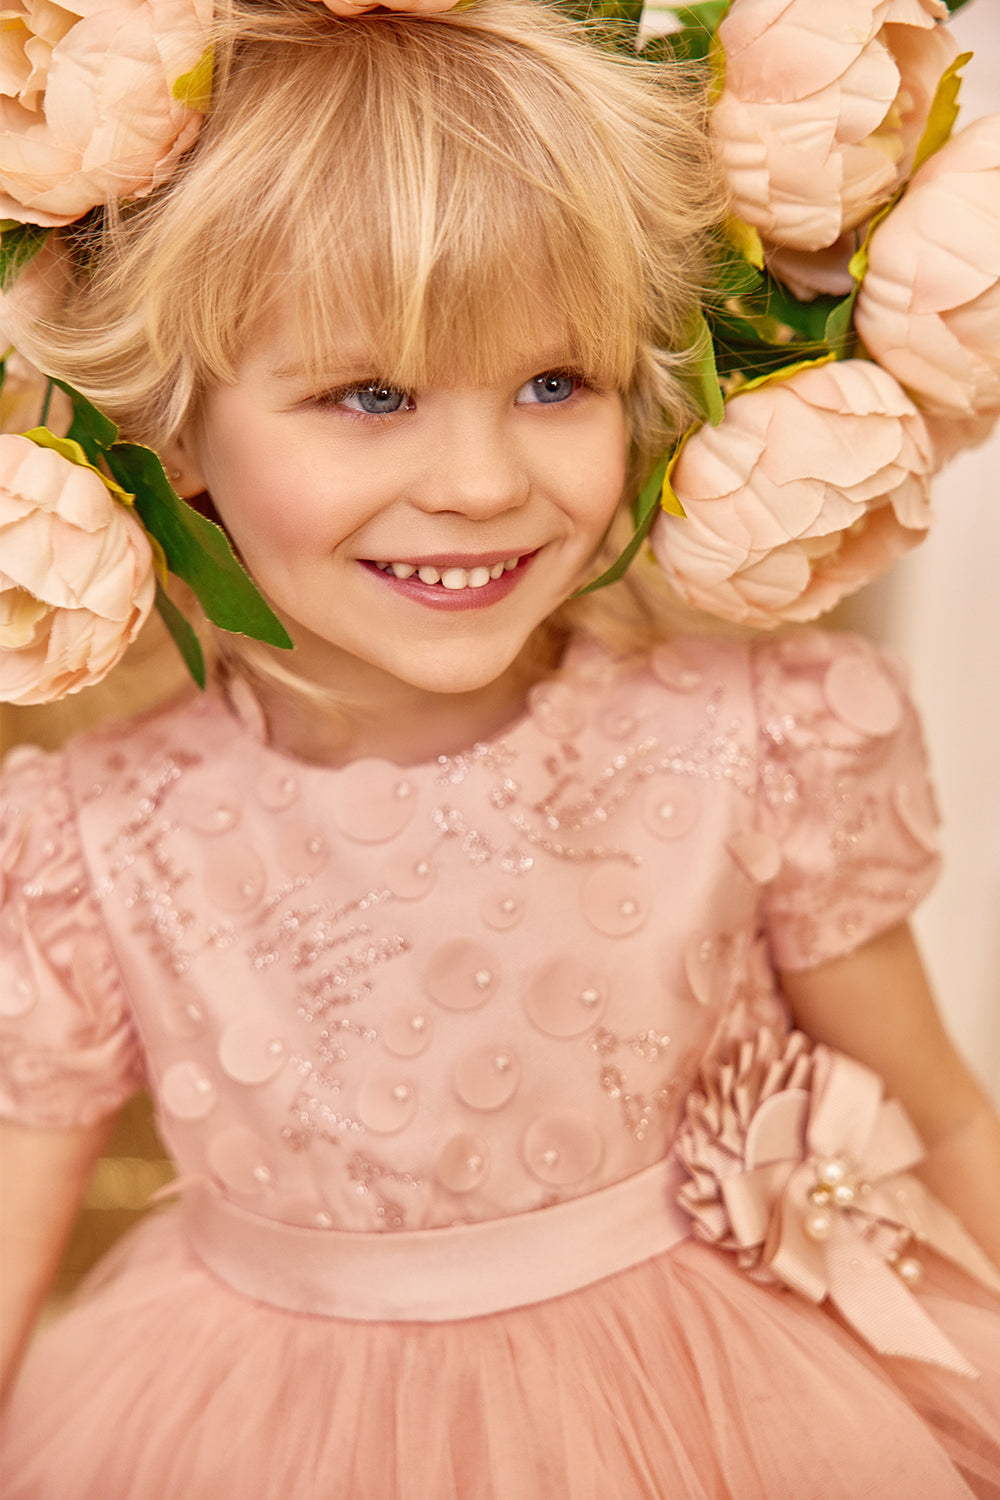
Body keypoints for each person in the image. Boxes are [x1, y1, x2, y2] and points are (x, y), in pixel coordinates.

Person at [1, 0, 999, 1495]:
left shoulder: (756, 747)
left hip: (721, 1422)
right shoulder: (96, 842)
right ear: (179, 434)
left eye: (554, 383)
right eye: (372, 396)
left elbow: (943, 1116)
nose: (478, 482)